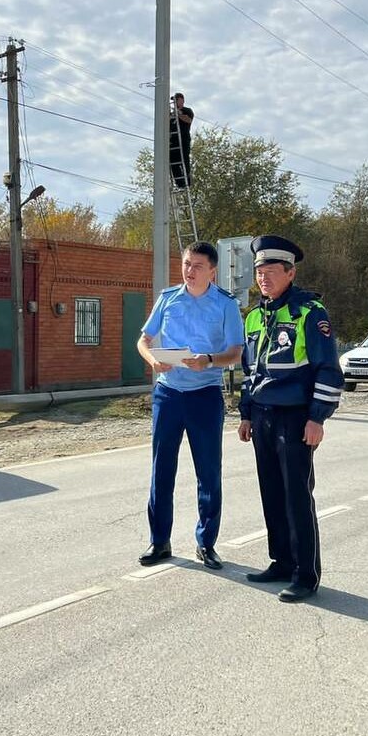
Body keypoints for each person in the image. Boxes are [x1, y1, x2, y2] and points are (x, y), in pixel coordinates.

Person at [237, 235, 343, 602]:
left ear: (290, 272)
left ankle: (305, 574)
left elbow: (328, 370)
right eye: (259, 272)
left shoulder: (310, 314)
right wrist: (246, 413)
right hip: (263, 417)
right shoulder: (254, 316)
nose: (263, 278)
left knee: (297, 495)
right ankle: (281, 561)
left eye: (270, 271)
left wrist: (318, 418)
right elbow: (250, 371)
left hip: (296, 417)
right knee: (272, 493)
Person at [137, 241, 245, 570]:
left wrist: (209, 360)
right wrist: (153, 358)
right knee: (161, 471)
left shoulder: (226, 305)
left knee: (208, 473)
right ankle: (160, 541)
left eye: (197, 266)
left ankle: (206, 543)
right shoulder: (168, 298)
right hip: (168, 396)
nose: (189, 270)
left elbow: (236, 353)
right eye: (186, 264)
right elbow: (143, 340)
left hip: (205, 396)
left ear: (212, 271)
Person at [169, 92, 195, 188]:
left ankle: (187, 181)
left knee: (184, 159)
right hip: (174, 141)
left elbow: (188, 120)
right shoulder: (172, 114)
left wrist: (178, 114)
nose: (175, 102)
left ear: (182, 100)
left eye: (177, 100)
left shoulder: (187, 110)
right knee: (172, 161)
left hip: (183, 139)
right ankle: (180, 183)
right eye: (174, 101)